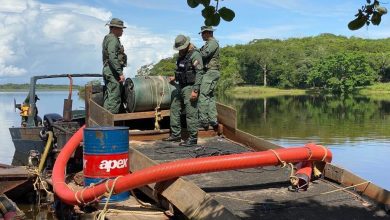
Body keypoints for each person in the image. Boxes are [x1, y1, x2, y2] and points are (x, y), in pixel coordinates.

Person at [163, 35, 204, 147]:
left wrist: (195, 90)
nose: (180, 49)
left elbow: (199, 73)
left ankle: (193, 138)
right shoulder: (181, 55)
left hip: (190, 87)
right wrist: (175, 78)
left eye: (182, 47)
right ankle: (175, 134)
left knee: (191, 113)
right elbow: (182, 70)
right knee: (174, 108)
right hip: (180, 86)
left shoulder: (195, 54)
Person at [102, 18, 127, 114]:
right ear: (114, 29)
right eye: (121, 29)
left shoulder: (109, 38)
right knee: (114, 96)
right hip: (112, 71)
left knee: (110, 96)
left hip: (109, 70)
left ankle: (105, 121)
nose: (122, 31)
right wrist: (120, 73)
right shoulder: (113, 39)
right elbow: (112, 56)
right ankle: (111, 124)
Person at [198, 26, 220, 131]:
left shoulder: (212, 43)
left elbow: (204, 54)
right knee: (210, 96)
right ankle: (213, 120)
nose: (202, 36)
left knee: (202, 95)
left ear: (208, 33)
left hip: (210, 72)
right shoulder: (209, 44)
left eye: (203, 33)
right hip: (211, 72)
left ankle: (203, 122)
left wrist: (195, 52)